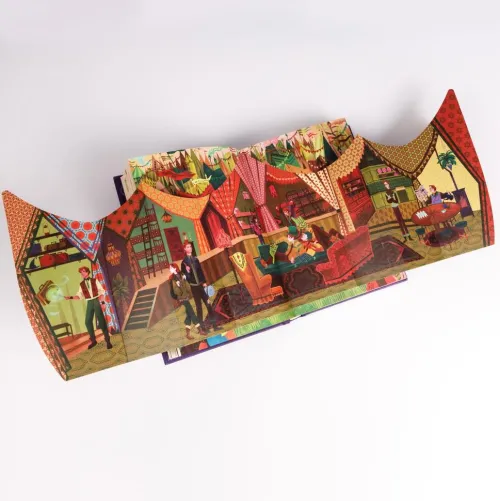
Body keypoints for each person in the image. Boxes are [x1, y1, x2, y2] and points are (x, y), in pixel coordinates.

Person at [64, 266, 112, 350]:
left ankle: (108, 341)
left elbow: (101, 291)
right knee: (87, 321)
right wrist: (70, 297)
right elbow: (79, 296)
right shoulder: (81, 284)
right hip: (89, 302)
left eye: (83, 271)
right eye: (81, 272)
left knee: (101, 321)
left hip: (96, 300)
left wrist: (102, 302)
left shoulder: (95, 280)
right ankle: (93, 341)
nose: (82, 273)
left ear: (87, 272)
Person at [181, 243, 216, 331]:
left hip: (201, 285)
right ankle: (203, 328)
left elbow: (200, 272)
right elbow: (186, 278)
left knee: (208, 304)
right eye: (188, 247)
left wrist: (204, 282)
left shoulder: (195, 259)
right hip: (194, 287)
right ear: (185, 249)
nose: (190, 248)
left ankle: (215, 325)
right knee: (199, 307)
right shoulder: (183, 263)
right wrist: (187, 272)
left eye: (190, 246)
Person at [169, 264, 206, 340]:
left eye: (171, 268)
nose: (170, 269)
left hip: (186, 296)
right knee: (192, 313)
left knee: (189, 316)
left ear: (175, 268)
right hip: (181, 298)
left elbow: (187, 284)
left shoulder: (181, 274)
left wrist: (185, 281)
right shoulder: (172, 279)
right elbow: (174, 291)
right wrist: (178, 286)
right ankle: (200, 330)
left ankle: (187, 334)